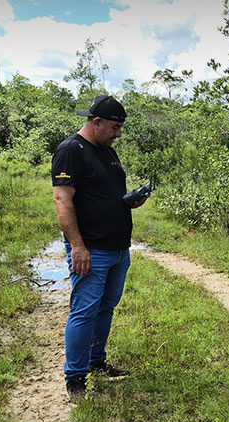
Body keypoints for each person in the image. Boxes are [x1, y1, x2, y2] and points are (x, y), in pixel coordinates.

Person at [52, 95, 146, 402]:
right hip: (91, 250)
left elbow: (107, 194)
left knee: (106, 307)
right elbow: (62, 201)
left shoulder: (108, 153)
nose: (118, 134)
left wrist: (132, 200)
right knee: (84, 311)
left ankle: (96, 361)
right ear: (97, 123)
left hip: (118, 248)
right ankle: (75, 379)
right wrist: (77, 247)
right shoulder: (71, 151)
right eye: (115, 128)